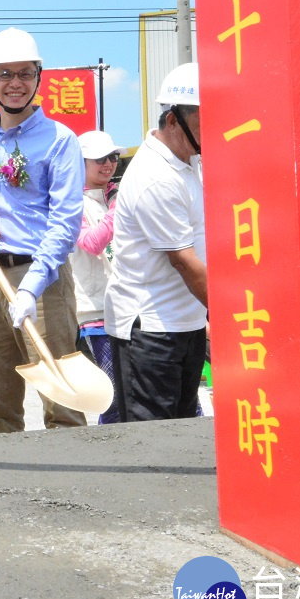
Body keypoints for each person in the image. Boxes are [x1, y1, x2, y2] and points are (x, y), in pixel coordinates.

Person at [0, 28, 86, 434]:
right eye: (4, 74)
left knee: (61, 402)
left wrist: (32, 287)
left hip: (42, 280)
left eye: (25, 73)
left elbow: (65, 222)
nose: (15, 83)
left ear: (39, 77)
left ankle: (72, 491)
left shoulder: (60, 140)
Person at [103, 62, 207, 422]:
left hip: (186, 321)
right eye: (202, 120)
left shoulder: (188, 162)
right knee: (153, 435)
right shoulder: (156, 176)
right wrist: (233, 316)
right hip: (152, 330)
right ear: (173, 119)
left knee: (181, 426)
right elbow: (183, 260)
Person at [69, 130, 125, 424]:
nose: (109, 163)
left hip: (127, 305)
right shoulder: (70, 202)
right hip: (94, 308)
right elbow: (91, 243)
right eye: (100, 159)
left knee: (129, 389)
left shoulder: (111, 197)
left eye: (113, 157)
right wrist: (119, 209)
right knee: (113, 393)